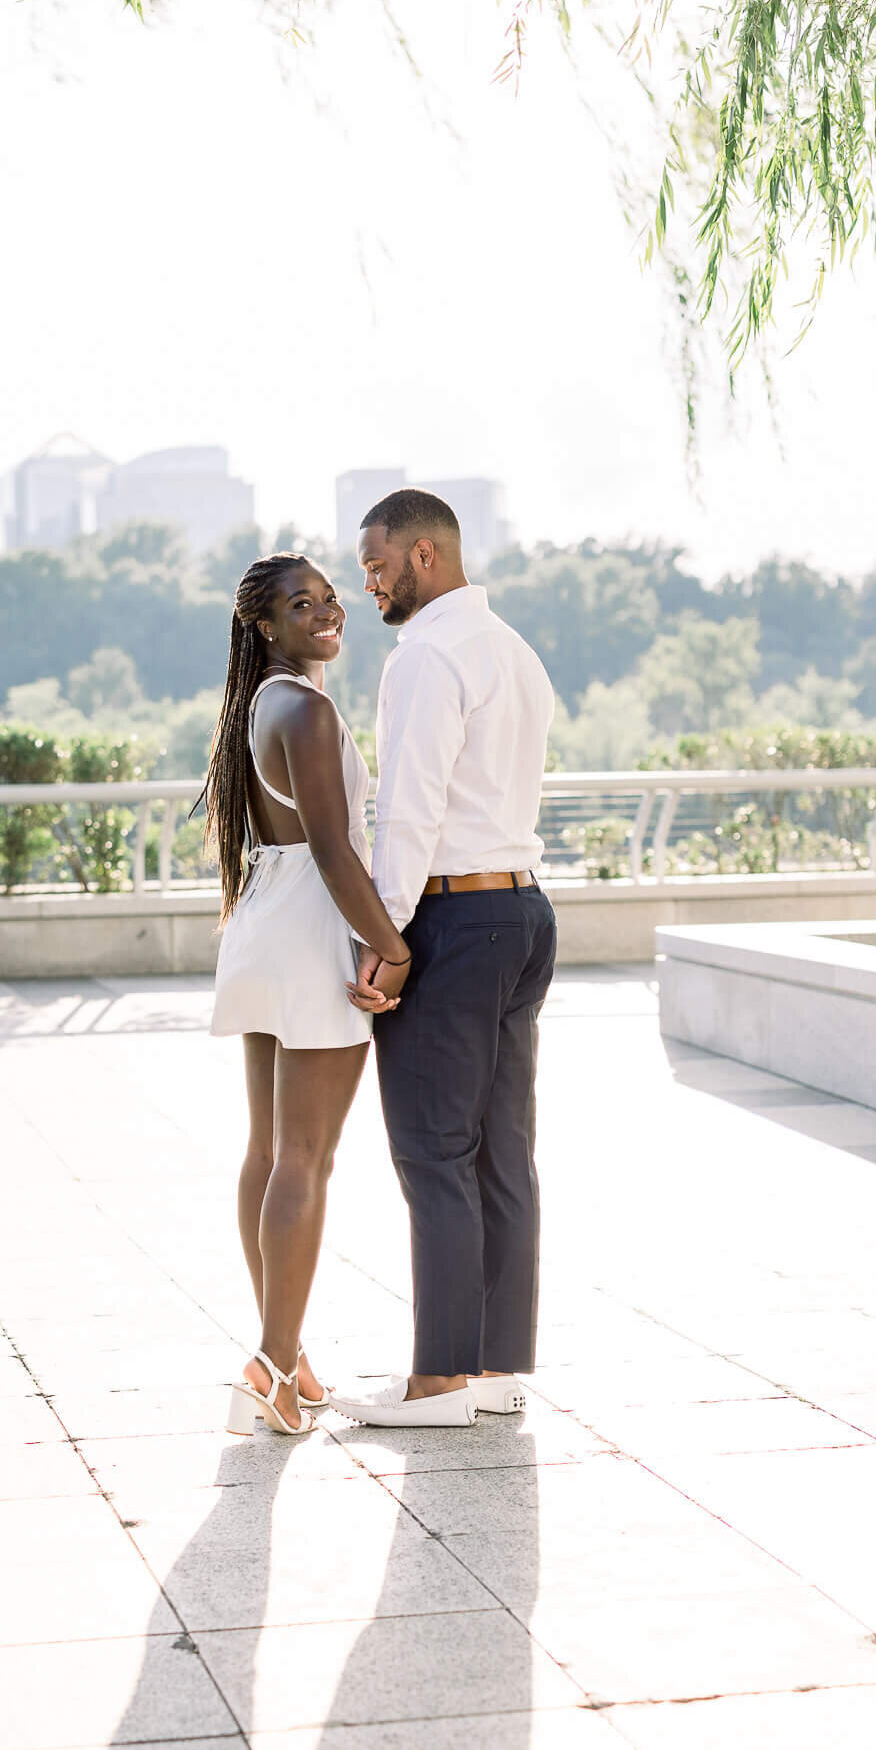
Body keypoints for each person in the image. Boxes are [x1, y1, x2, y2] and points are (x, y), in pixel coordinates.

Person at [333, 490, 557, 1429]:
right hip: (523, 914)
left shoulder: (425, 655)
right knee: (503, 1151)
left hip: (453, 922)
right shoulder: (512, 649)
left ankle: (436, 1381)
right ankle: (497, 1369)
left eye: (377, 566)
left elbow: (409, 810)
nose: (369, 584)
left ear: (424, 555)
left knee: (432, 1149)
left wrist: (384, 942)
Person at [203, 552, 413, 1436]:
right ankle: (270, 1361)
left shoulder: (262, 702)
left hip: (261, 922)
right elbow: (335, 851)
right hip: (309, 932)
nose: (327, 612)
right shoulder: (310, 709)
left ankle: (284, 1357)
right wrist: (393, 948)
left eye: (330, 599)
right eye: (303, 604)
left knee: (268, 1153)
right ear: (265, 624)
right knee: (305, 1160)